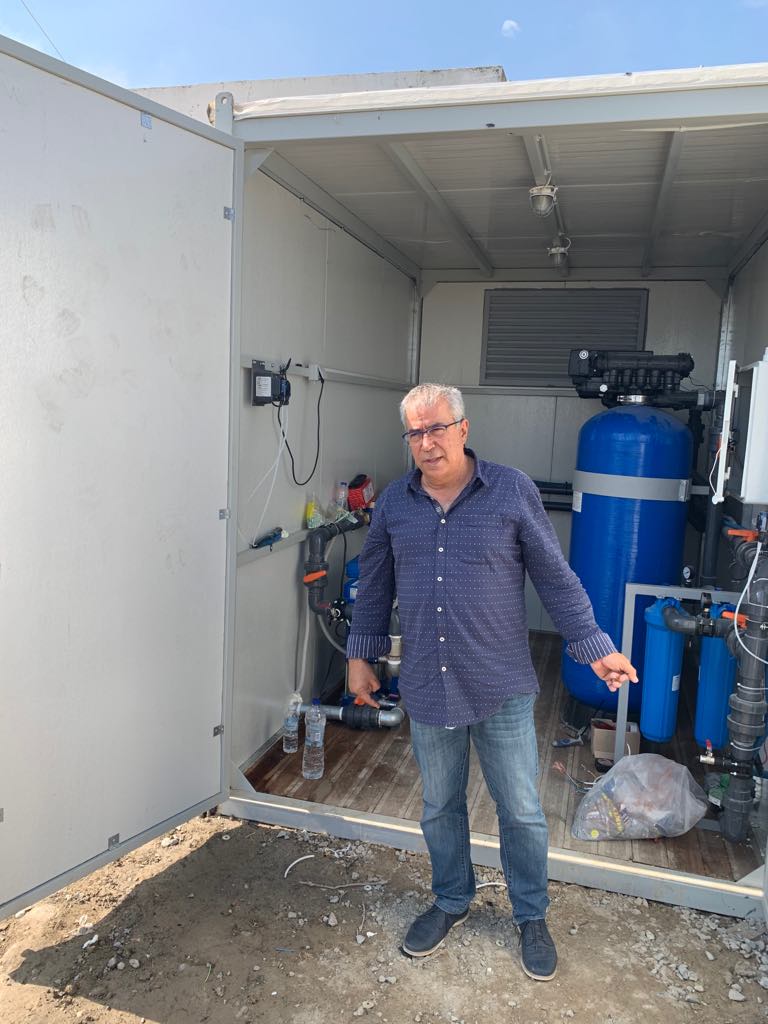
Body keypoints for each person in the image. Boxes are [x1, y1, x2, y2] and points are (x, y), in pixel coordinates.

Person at [345, 383, 638, 982]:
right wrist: (361, 655)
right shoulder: (396, 503)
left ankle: (531, 914)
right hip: (429, 684)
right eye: (415, 433)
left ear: (463, 428)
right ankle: (451, 899)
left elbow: (555, 577)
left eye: (437, 428)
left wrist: (593, 646)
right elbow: (374, 583)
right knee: (439, 806)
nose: (427, 443)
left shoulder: (510, 489)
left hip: (500, 683)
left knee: (522, 811)